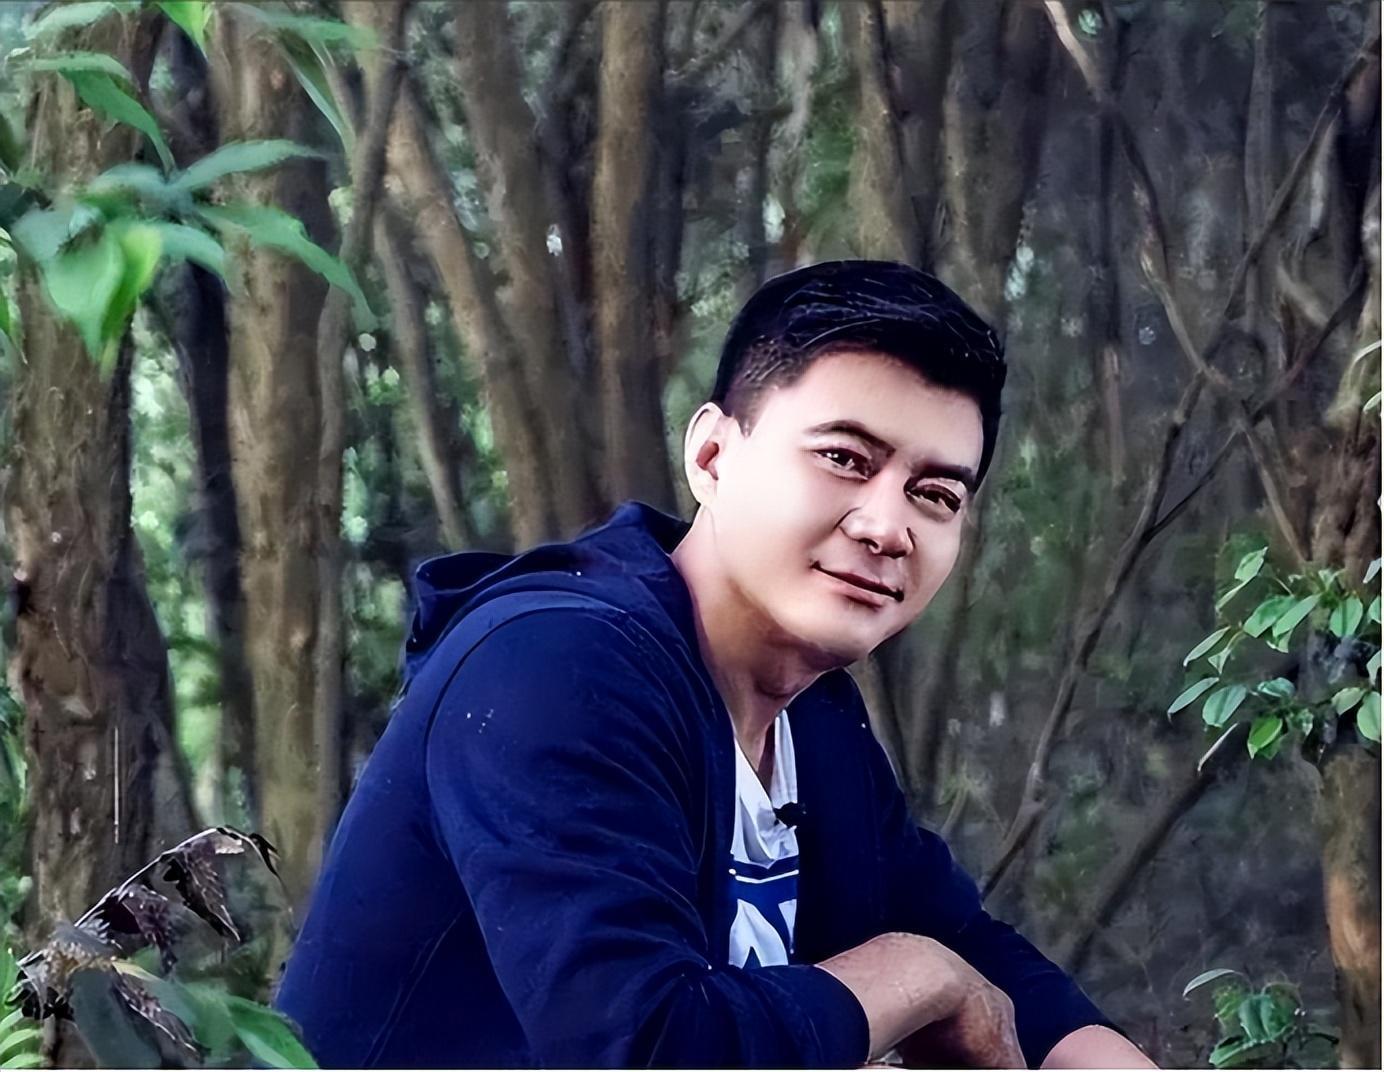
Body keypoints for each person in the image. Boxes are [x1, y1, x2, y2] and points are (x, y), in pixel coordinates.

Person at [275, 260, 1156, 1069]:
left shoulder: (813, 720)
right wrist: (917, 974)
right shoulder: (555, 663)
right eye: (844, 459)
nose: (888, 527)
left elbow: (976, 950)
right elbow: (646, 1046)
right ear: (712, 456)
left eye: (935, 494)